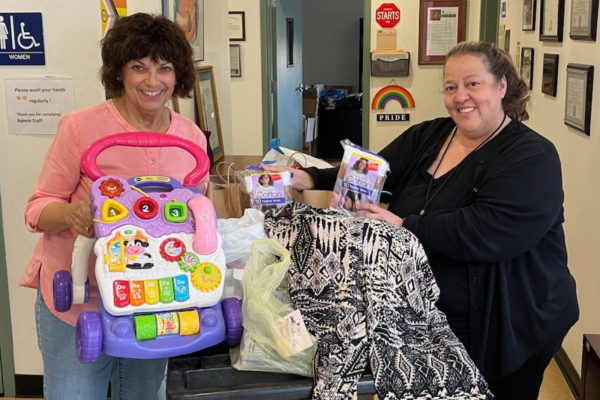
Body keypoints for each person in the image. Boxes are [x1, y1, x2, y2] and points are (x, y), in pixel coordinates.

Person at [264, 41, 579, 399]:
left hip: (509, 319)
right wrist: (310, 178)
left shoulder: (532, 156)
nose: (460, 96)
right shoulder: (431, 134)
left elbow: (488, 231)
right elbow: (370, 170)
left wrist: (402, 225)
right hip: (424, 312)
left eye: (473, 83)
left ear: (501, 86)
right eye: (450, 86)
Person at [21, 13, 208, 400]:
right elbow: (38, 209)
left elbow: (194, 216)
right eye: (138, 66)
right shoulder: (80, 127)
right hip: (77, 299)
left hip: (152, 300)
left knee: (143, 394)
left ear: (179, 75)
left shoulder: (190, 139)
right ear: (119, 72)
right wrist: (74, 215)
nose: (152, 81)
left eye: (164, 68)